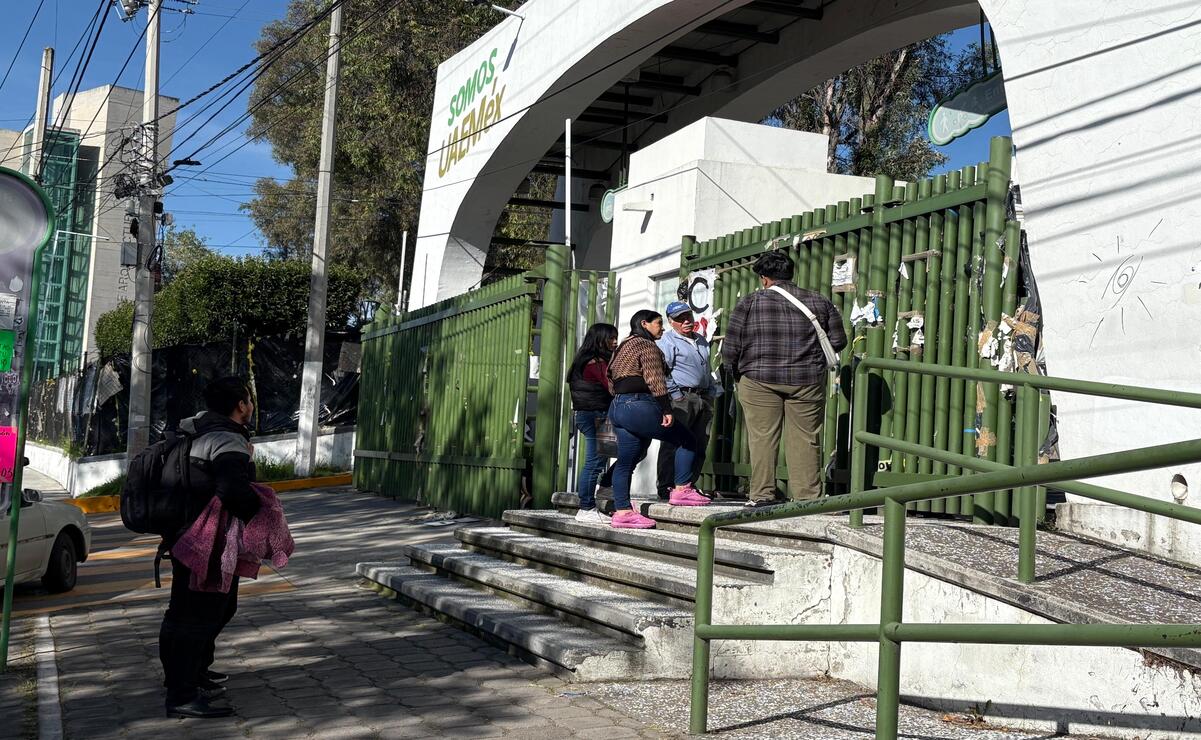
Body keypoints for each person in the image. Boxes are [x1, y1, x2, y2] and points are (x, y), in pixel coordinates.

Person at [159, 376, 262, 718]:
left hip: (182, 533)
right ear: (240, 404)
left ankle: (192, 673)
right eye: (248, 399)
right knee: (199, 614)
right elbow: (235, 492)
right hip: (207, 539)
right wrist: (260, 509)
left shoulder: (194, 429)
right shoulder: (226, 439)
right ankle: (182, 694)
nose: (250, 405)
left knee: (198, 609)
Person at [722, 251, 848, 506]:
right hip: (807, 379)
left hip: (758, 379)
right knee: (806, 438)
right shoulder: (819, 301)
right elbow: (838, 341)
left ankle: (762, 495)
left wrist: (736, 373)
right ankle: (808, 498)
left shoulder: (749, 303)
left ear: (764, 278)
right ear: (790, 275)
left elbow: (730, 348)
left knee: (762, 438)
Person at [607, 310, 710, 529]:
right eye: (658, 324)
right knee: (687, 439)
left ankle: (623, 511)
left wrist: (621, 400)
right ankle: (682, 489)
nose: (662, 328)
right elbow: (655, 380)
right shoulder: (647, 346)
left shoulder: (623, 345)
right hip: (638, 404)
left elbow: (609, 375)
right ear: (644, 324)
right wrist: (666, 409)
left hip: (617, 406)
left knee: (627, 460)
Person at [656, 301, 718, 500]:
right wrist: (676, 395)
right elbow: (663, 372)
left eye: (688, 317)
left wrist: (710, 391)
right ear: (671, 321)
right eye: (680, 318)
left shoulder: (700, 340)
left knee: (700, 442)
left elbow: (706, 369)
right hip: (681, 398)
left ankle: (688, 485)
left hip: (703, 397)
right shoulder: (667, 342)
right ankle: (666, 485)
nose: (686, 321)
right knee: (673, 443)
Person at [568, 323, 619, 524]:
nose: (615, 342)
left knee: (606, 458)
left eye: (616, 337)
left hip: (594, 413)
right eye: (611, 338)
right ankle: (586, 506)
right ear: (599, 340)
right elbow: (612, 387)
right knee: (594, 463)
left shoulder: (587, 360)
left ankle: (604, 487)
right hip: (596, 414)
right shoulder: (595, 362)